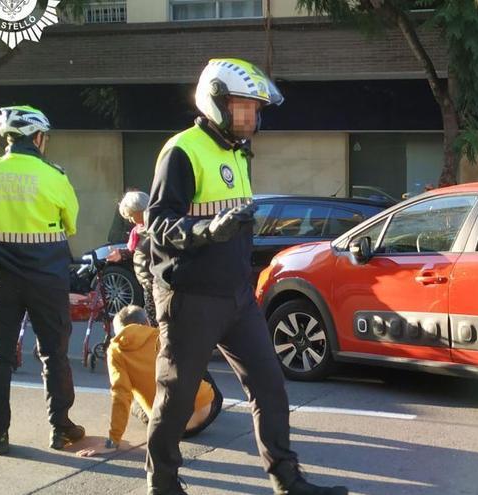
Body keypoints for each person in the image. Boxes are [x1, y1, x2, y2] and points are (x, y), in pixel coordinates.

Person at [145, 59, 348, 495]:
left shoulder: (236, 152)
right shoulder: (182, 150)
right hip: (191, 296)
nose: (251, 118)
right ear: (215, 103)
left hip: (236, 296)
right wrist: (206, 231)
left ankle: (287, 479)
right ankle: (161, 485)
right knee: (177, 397)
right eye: (242, 109)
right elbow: (157, 224)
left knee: (271, 388)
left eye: (254, 110)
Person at [0, 106, 85, 455]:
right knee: (54, 354)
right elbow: (71, 222)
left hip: (0, 277)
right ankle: (61, 429)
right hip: (46, 277)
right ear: (37, 138)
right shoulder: (54, 175)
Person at [77, 305, 223, 457]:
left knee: (132, 400)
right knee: (194, 365)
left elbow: (120, 394)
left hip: (171, 429)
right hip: (208, 411)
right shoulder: (163, 334)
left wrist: (113, 440)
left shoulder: (116, 350)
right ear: (146, 321)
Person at [107, 191, 157, 325]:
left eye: (131, 216)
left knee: (155, 318)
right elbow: (134, 250)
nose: (130, 220)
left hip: (156, 280)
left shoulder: (154, 228)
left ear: (140, 210)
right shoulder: (139, 230)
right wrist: (121, 254)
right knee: (151, 315)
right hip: (147, 281)